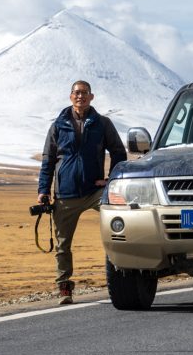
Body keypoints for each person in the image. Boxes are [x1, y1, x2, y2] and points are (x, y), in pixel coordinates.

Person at [37, 80, 127, 304]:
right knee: (62, 244)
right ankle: (64, 287)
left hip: (95, 192)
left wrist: (110, 180)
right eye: (77, 93)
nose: (80, 96)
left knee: (122, 223)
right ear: (70, 97)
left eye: (84, 93)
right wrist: (43, 191)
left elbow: (118, 152)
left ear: (91, 97)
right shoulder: (58, 126)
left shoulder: (102, 123)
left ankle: (127, 272)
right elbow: (48, 160)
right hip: (66, 195)